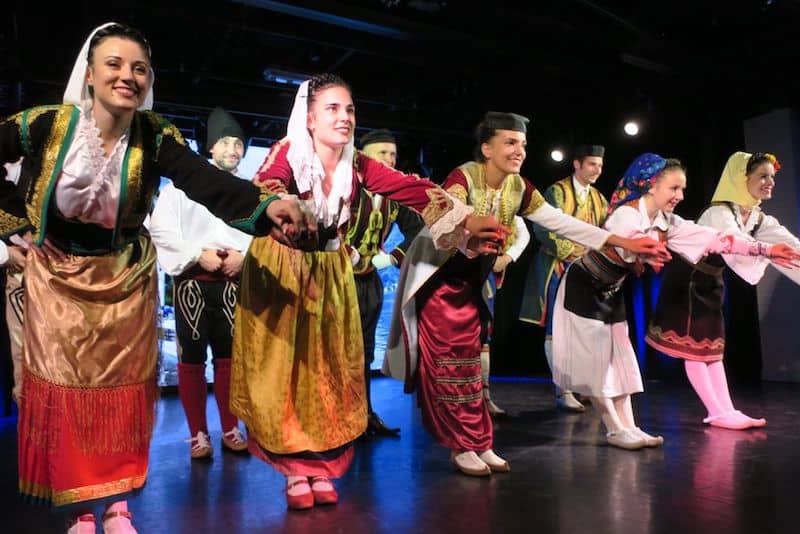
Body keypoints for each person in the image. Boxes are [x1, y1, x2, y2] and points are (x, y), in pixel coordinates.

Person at [0, 22, 312, 534]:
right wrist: (14, 222)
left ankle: (120, 505)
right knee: (71, 396)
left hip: (124, 276)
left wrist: (267, 207)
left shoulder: (154, 136)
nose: (127, 76)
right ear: (91, 74)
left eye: (139, 68)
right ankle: (81, 509)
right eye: (115, 65)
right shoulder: (44, 126)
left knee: (125, 395)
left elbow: (203, 180)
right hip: (58, 276)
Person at [229, 74, 509, 511]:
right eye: (333, 109)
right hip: (285, 268)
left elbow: (411, 189)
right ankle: (294, 472)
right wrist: (283, 207)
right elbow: (265, 188)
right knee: (289, 371)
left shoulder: (357, 164)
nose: (344, 117)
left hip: (332, 272)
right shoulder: (289, 154)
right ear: (309, 117)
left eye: (350, 109)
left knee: (328, 373)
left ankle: (318, 464)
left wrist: (468, 221)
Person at [383, 115, 671, 477]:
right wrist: (470, 235)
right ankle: (460, 446)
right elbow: (443, 222)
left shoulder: (519, 187)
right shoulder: (464, 177)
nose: (519, 151)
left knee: (471, 367)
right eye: (509, 142)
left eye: (522, 144)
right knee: (449, 367)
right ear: (487, 148)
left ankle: (479, 441)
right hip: (441, 281)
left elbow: (558, 221)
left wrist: (623, 242)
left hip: (471, 284)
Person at [551, 153, 799, 450]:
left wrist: (766, 250)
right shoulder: (627, 213)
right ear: (651, 185)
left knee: (621, 361)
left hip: (610, 289)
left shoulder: (668, 221)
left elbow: (716, 239)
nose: (680, 196)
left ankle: (630, 426)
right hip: (583, 285)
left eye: (682, 189)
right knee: (597, 363)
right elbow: (628, 237)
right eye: (674, 189)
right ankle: (614, 429)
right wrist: (648, 251)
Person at [647, 151, 800, 430]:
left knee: (713, 351)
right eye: (762, 176)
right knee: (694, 351)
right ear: (741, 179)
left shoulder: (755, 217)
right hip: (688, 282)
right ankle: (716, 412)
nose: (770, 183)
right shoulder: (719, 213)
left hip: (710, 283)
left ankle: (726, 409)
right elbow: (736, 247)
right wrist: (768, 253)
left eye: (772, 177)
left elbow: (790, 246)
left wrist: (784, 254)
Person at [149, 107, 253, 459]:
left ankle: (230, 428)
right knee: (191, 358)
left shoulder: (246, 189)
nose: (234, 150)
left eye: (239, 144)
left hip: (231, 281)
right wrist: (197, 253)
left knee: (228, 358)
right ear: (210, 147)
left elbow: (259, 234)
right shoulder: (180, 188)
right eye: (225, 142)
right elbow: (161, 230)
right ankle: (198, 434)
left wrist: (244, 257)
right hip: (192, 280)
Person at [345, 128, 423, 437]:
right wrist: (343, 252)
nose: (390, 160)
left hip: (368, 278)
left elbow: (419, 230)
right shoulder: (346, 184)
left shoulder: (395, 193)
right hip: (336, 278)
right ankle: (337, 418)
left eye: (393, 154)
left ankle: (363, 414)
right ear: (363, 157)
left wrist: (392, 257)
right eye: (383, 154)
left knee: (364, 351)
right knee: (337, 351)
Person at [520, 144, 608, 412]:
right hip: (557, 268)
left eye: (600, 166)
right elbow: (543, 226)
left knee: (584, 329)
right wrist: (569, 250)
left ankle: (582, 385)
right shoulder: (556, 192)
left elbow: (604, 231)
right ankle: (563, 388)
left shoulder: (599, 199)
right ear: (577, 164)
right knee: (556, 329)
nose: (597, 170)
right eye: (592, 164)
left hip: (586, 272)